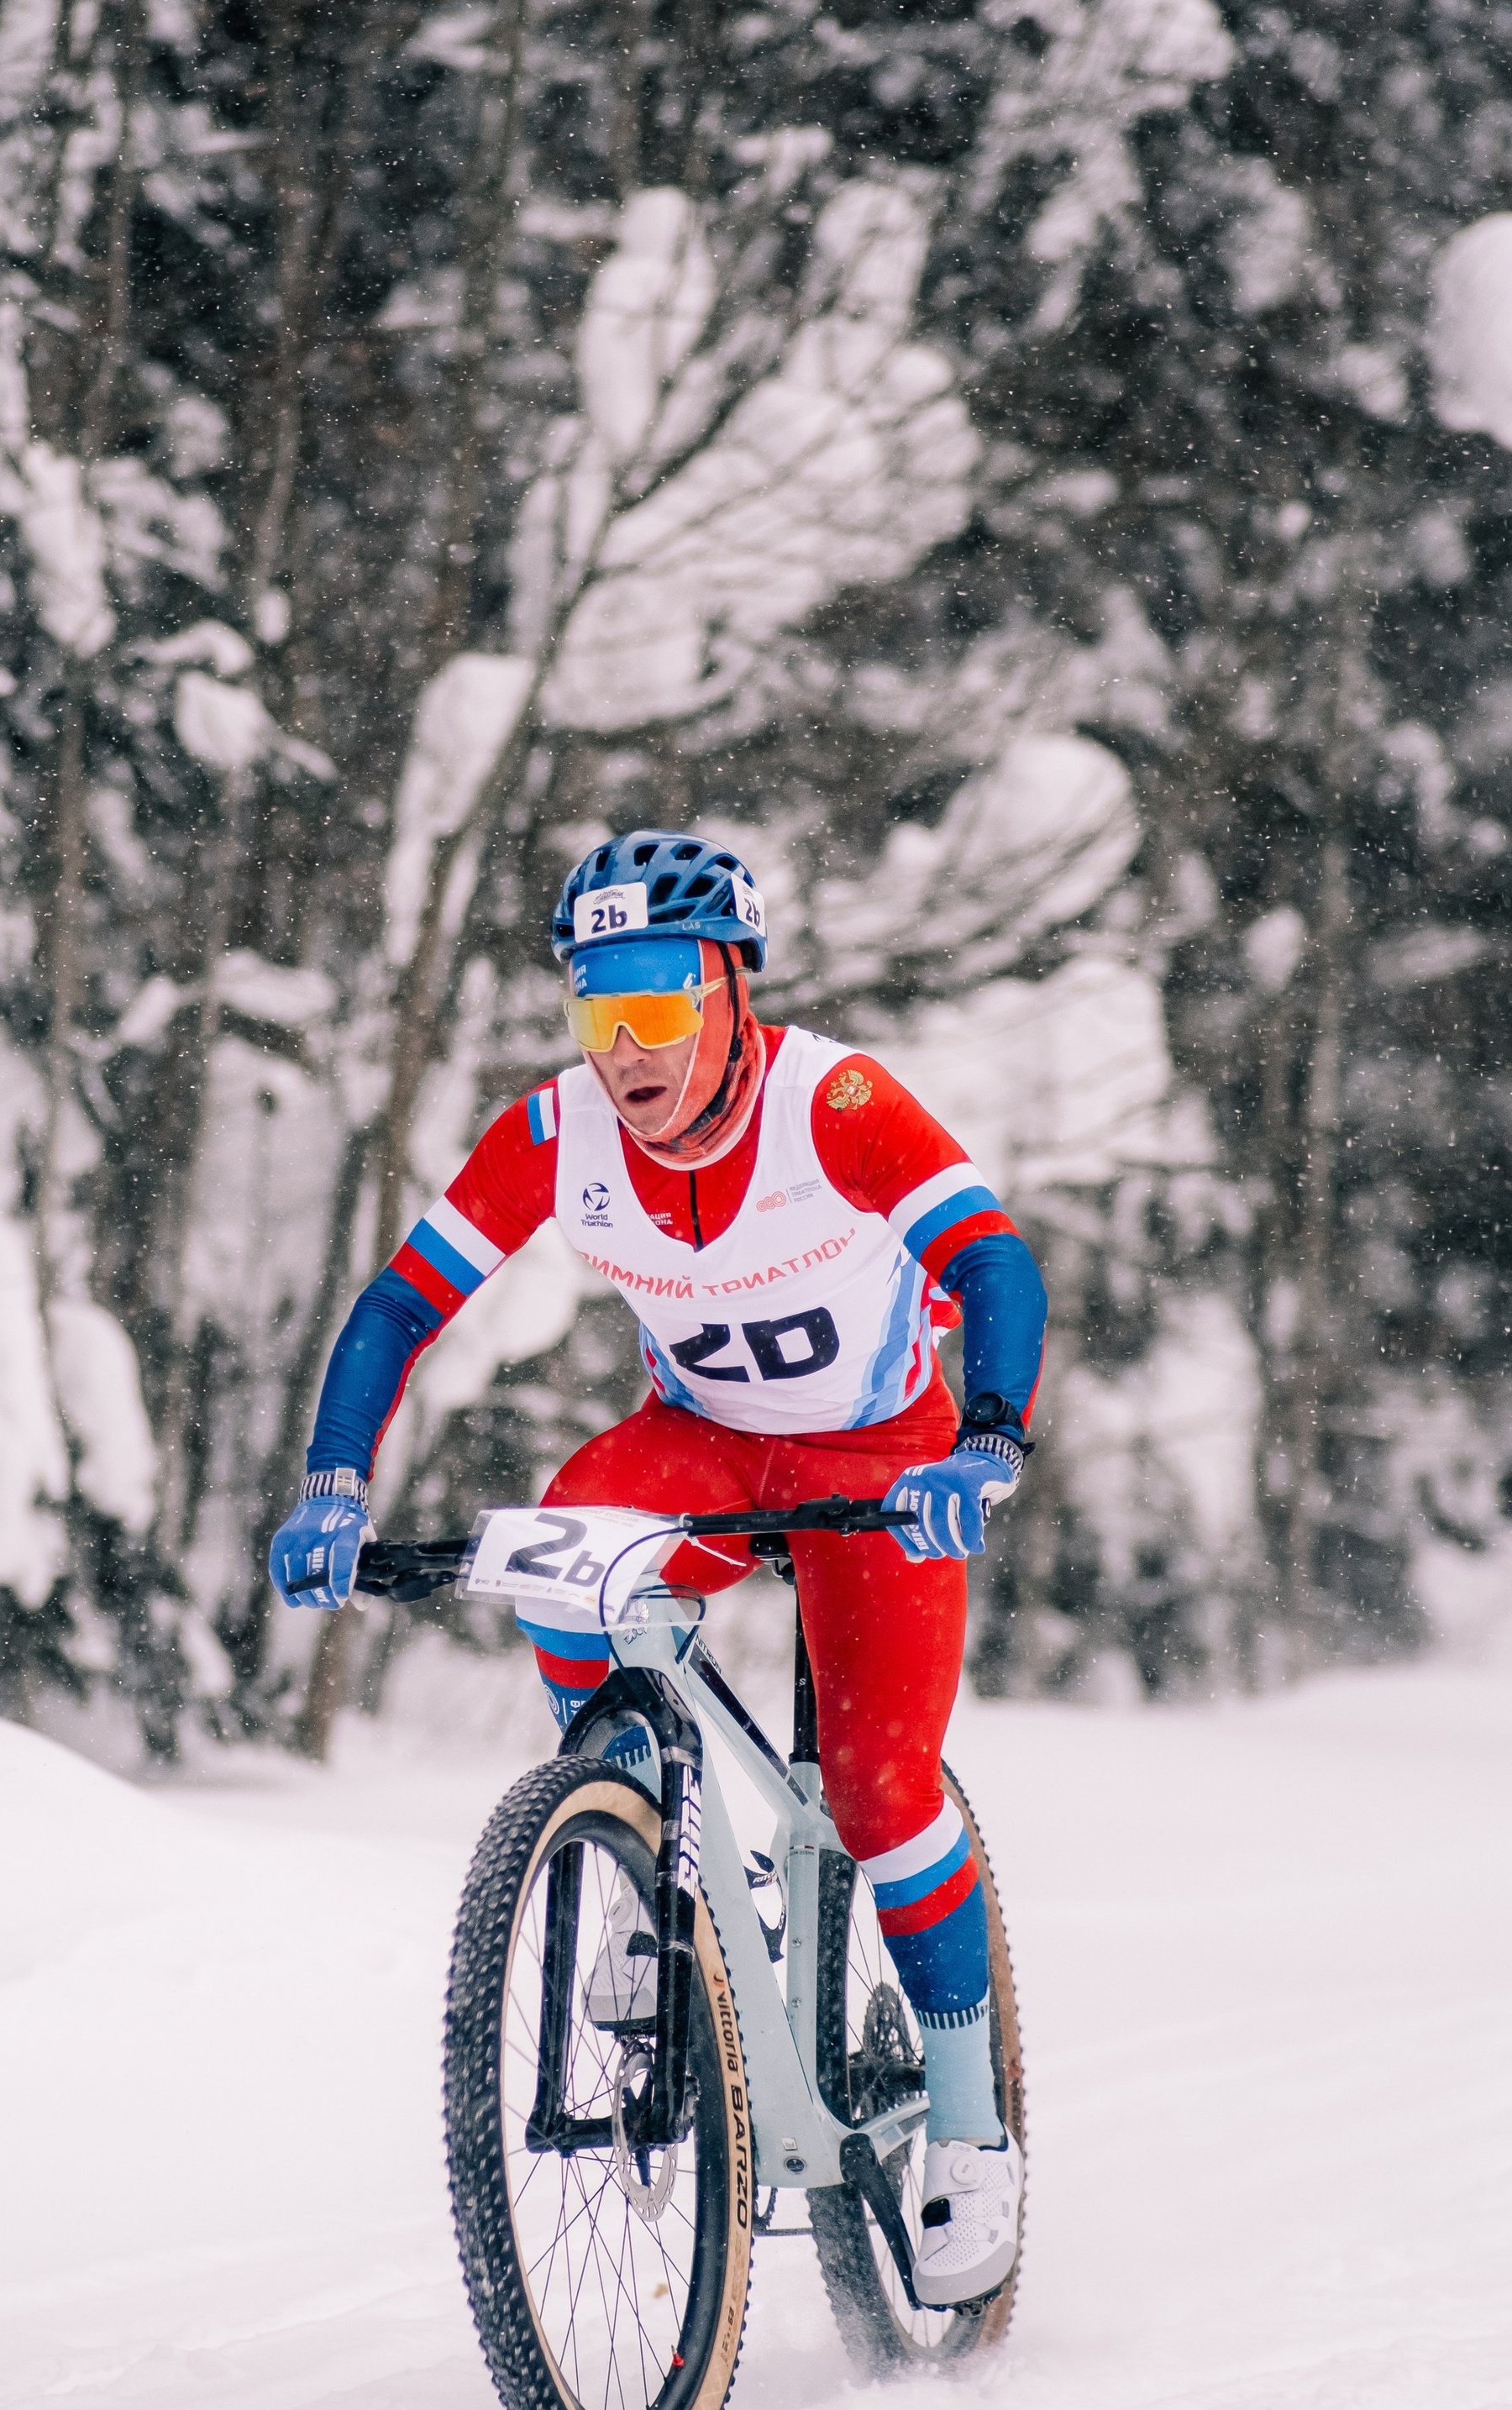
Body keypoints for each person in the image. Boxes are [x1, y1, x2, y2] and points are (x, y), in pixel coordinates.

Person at [270, 829, 1046, 2302]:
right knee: (565, 1548)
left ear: (731, 991)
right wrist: (332, 1481)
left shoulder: (836, 1105)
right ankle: (649, 1846)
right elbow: (399, 1306)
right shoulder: (558, 1134)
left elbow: (994, 1263)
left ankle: (968, 2125)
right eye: (596, 1006)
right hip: (702, 1447)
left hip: (882, 1462)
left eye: (656, 1005)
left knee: (881, 1794)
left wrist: (988, 1444)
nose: (626, 1048)